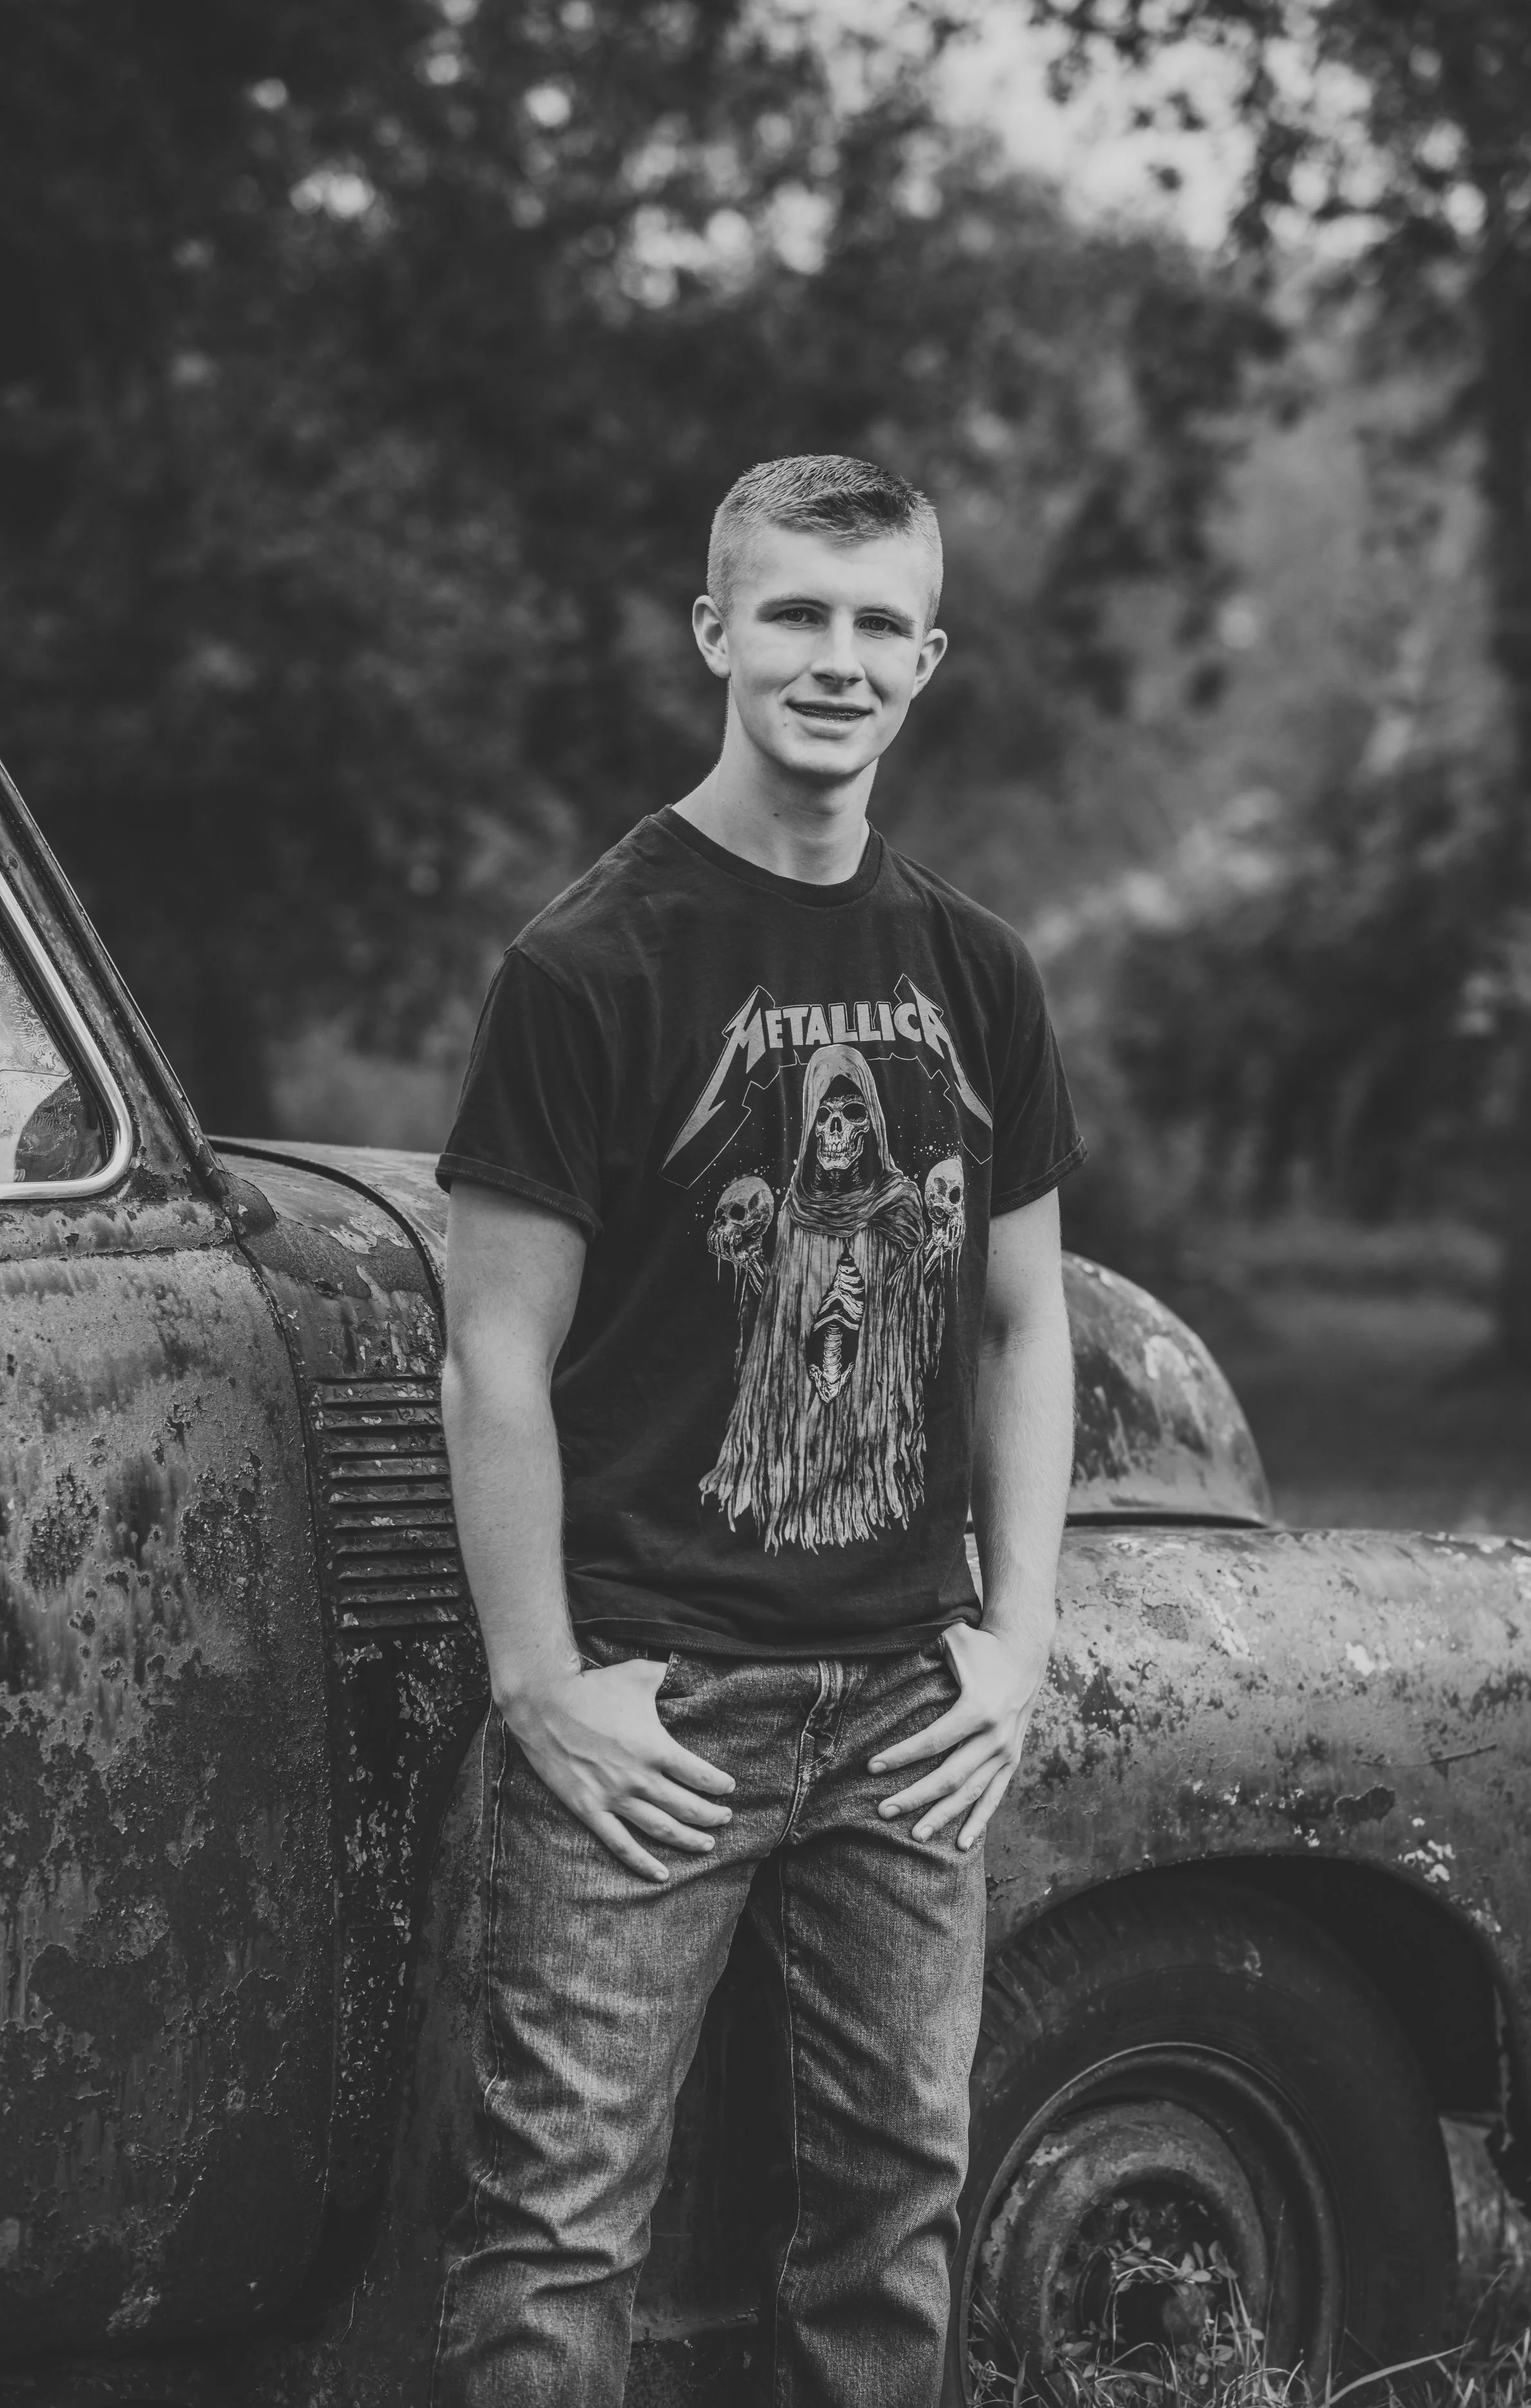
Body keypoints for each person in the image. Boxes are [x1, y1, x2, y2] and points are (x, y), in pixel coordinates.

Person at [430, 453, 1082, 2407]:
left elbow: (1023, 1319)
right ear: (716, 631)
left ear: (930, 658)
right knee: (556, 2238)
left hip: (900, 1712)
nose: (836, 657)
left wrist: (1016, 1639)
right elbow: (492, 1363)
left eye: (879, 622)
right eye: (794, 612)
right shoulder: (587, 967)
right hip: (657, 1704)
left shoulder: (974, 971)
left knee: (891, 2225)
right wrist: (545, 1689)